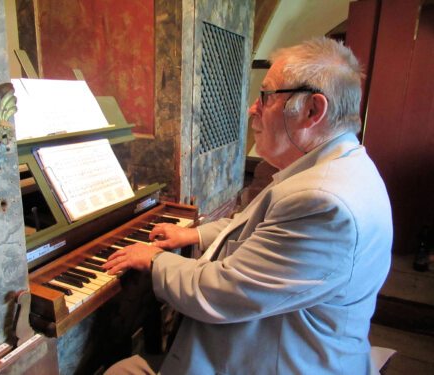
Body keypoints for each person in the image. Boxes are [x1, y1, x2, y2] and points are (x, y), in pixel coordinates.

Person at [104, 37, 393, 374]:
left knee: (119, 372)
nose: (252, 109)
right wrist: (194, 236)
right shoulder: (342, 164)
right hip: (279, 342)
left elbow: (220, 294)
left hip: (282, 361)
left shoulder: (323, 202)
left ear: (313, 110)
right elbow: (258, 229)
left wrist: (155, 259)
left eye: (266, 96)